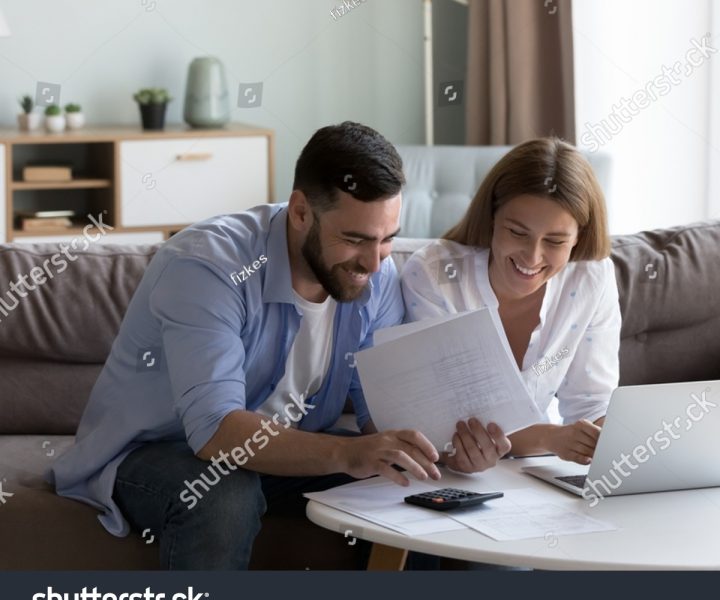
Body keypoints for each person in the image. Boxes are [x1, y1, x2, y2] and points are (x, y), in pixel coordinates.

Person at [50, 122, 441, 570]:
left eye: (387, 239)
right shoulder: (207, 266)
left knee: (417, 483)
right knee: (223, 493)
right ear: (300, 212)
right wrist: (346, 453)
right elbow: (216, 430)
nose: (373, 262)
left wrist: (436, 446)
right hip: (159, 451)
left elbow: (381, 417)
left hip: (288, 445)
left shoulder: (377, 275)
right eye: (354, 240)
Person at [400, 137, 621, 473]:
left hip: (530, 475)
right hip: (443, 476)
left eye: (555, 241)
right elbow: (446, 422)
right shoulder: (434, 275)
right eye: (518, 232)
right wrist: (552, 438)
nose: (532, 257)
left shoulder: (591, 277)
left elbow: (591, 404)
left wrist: (618, 440)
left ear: (579, 237)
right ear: (492, 218)